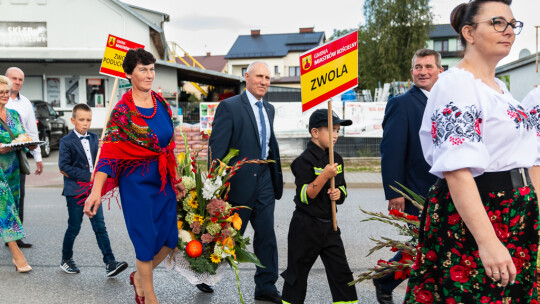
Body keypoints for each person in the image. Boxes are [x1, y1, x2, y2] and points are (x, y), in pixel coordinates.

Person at [405, 0, 539, 302]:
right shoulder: (457, 84)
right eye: (497, 22)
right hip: (481, 213)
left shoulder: (499, 88)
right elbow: (456, 169)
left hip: (514, 213)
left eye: (512, 24)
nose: (509, 31)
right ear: (469, 32)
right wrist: (487, 240)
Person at [83, 48, 186, 304]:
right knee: (145, 239)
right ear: (129, 74)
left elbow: (169, 146)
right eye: (143, 69)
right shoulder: (122, 112)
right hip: (136, 183)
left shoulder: (161, 103)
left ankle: (139, 277)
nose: (149, 74)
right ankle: (148, 295)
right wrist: (96, 191)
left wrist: (176, 178)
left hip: (162, 178)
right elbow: (108, 153)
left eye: (152, 69)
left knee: (170, 239)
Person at [209, 61, 283, 302]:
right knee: (229, 235)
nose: (264, 81)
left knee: (266, 235)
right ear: (247, 77)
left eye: (268, 78)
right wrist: (215, 187)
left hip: (265, 179)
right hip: (238, 180)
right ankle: (204, 274)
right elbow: (217, 149)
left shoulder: (269, 108)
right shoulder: (229, 107)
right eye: (259, 76)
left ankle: (266, 284)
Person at [374, 49, 443, 304]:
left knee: (430, 245)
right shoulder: (401, 104)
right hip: (416, 190)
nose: (423, 71)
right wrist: (395, 192)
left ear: (439, 71)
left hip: (445, 188)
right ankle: (386, 279)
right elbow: (391, 151)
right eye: (418, 67)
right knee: (423, 245)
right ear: (412, 72)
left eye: (428, 66)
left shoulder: (445, 102)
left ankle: (387, 279)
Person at [280, 109, 357, 304]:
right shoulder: (302, 161)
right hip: (306, 226)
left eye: (338, 131)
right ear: (315, 132)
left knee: (342, 274)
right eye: (331, 130)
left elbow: (343, 190)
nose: (336, 135)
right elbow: (306, 196)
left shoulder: (337, 159)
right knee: (296, 275)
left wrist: (339, 194)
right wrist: (324, 175)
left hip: (330, 226)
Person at [58, 103, 128, 276]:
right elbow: (64, 166)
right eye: (81, 120)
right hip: (75, 191)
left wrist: (104, 147)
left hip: (93, 191)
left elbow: (102, 160)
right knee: (74, 226)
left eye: (88, 120)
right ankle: (66, 259)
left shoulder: (95, 138)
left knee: (100, 227)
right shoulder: (66, 141)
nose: (85, 123)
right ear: (73, 120)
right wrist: (87, 175)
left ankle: (110, 262)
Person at [4, 67, 42, 248]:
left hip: (15, 161)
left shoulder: (24, 104)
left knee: (17, 199)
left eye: (20, 79)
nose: (17, 82)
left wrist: (36, 153)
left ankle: (15, 237)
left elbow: (29, 133)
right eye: (14, 79)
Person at [0, 75, 33, 272]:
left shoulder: (13, 114)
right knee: (6, 208)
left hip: (11, 167)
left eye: (7, 92)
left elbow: (21, 134)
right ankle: (16, 254)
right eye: (1, 92)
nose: (4, 95)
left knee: (13, 203)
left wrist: (25, 141)